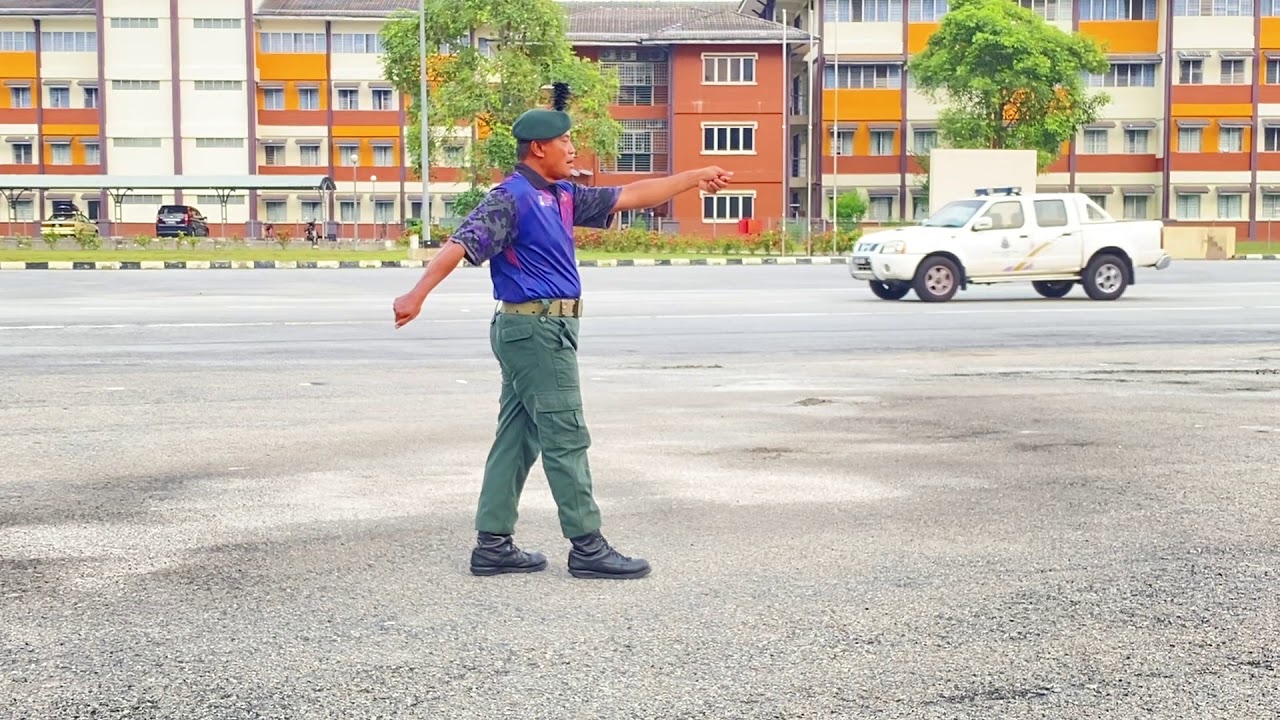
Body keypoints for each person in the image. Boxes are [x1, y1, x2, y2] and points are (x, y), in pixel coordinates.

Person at [392, 84, 732, 580]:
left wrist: (694, 177)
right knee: (565, 434)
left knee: (518, 435)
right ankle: (587, 546)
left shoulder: (562, 195)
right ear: (538, 148)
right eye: (566, 142)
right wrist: (416, 294)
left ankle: (493, 544)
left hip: (538, 329)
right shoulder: (511, 198)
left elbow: (632, 194)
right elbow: (460, 244)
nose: (573, 149)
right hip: (536, 330)